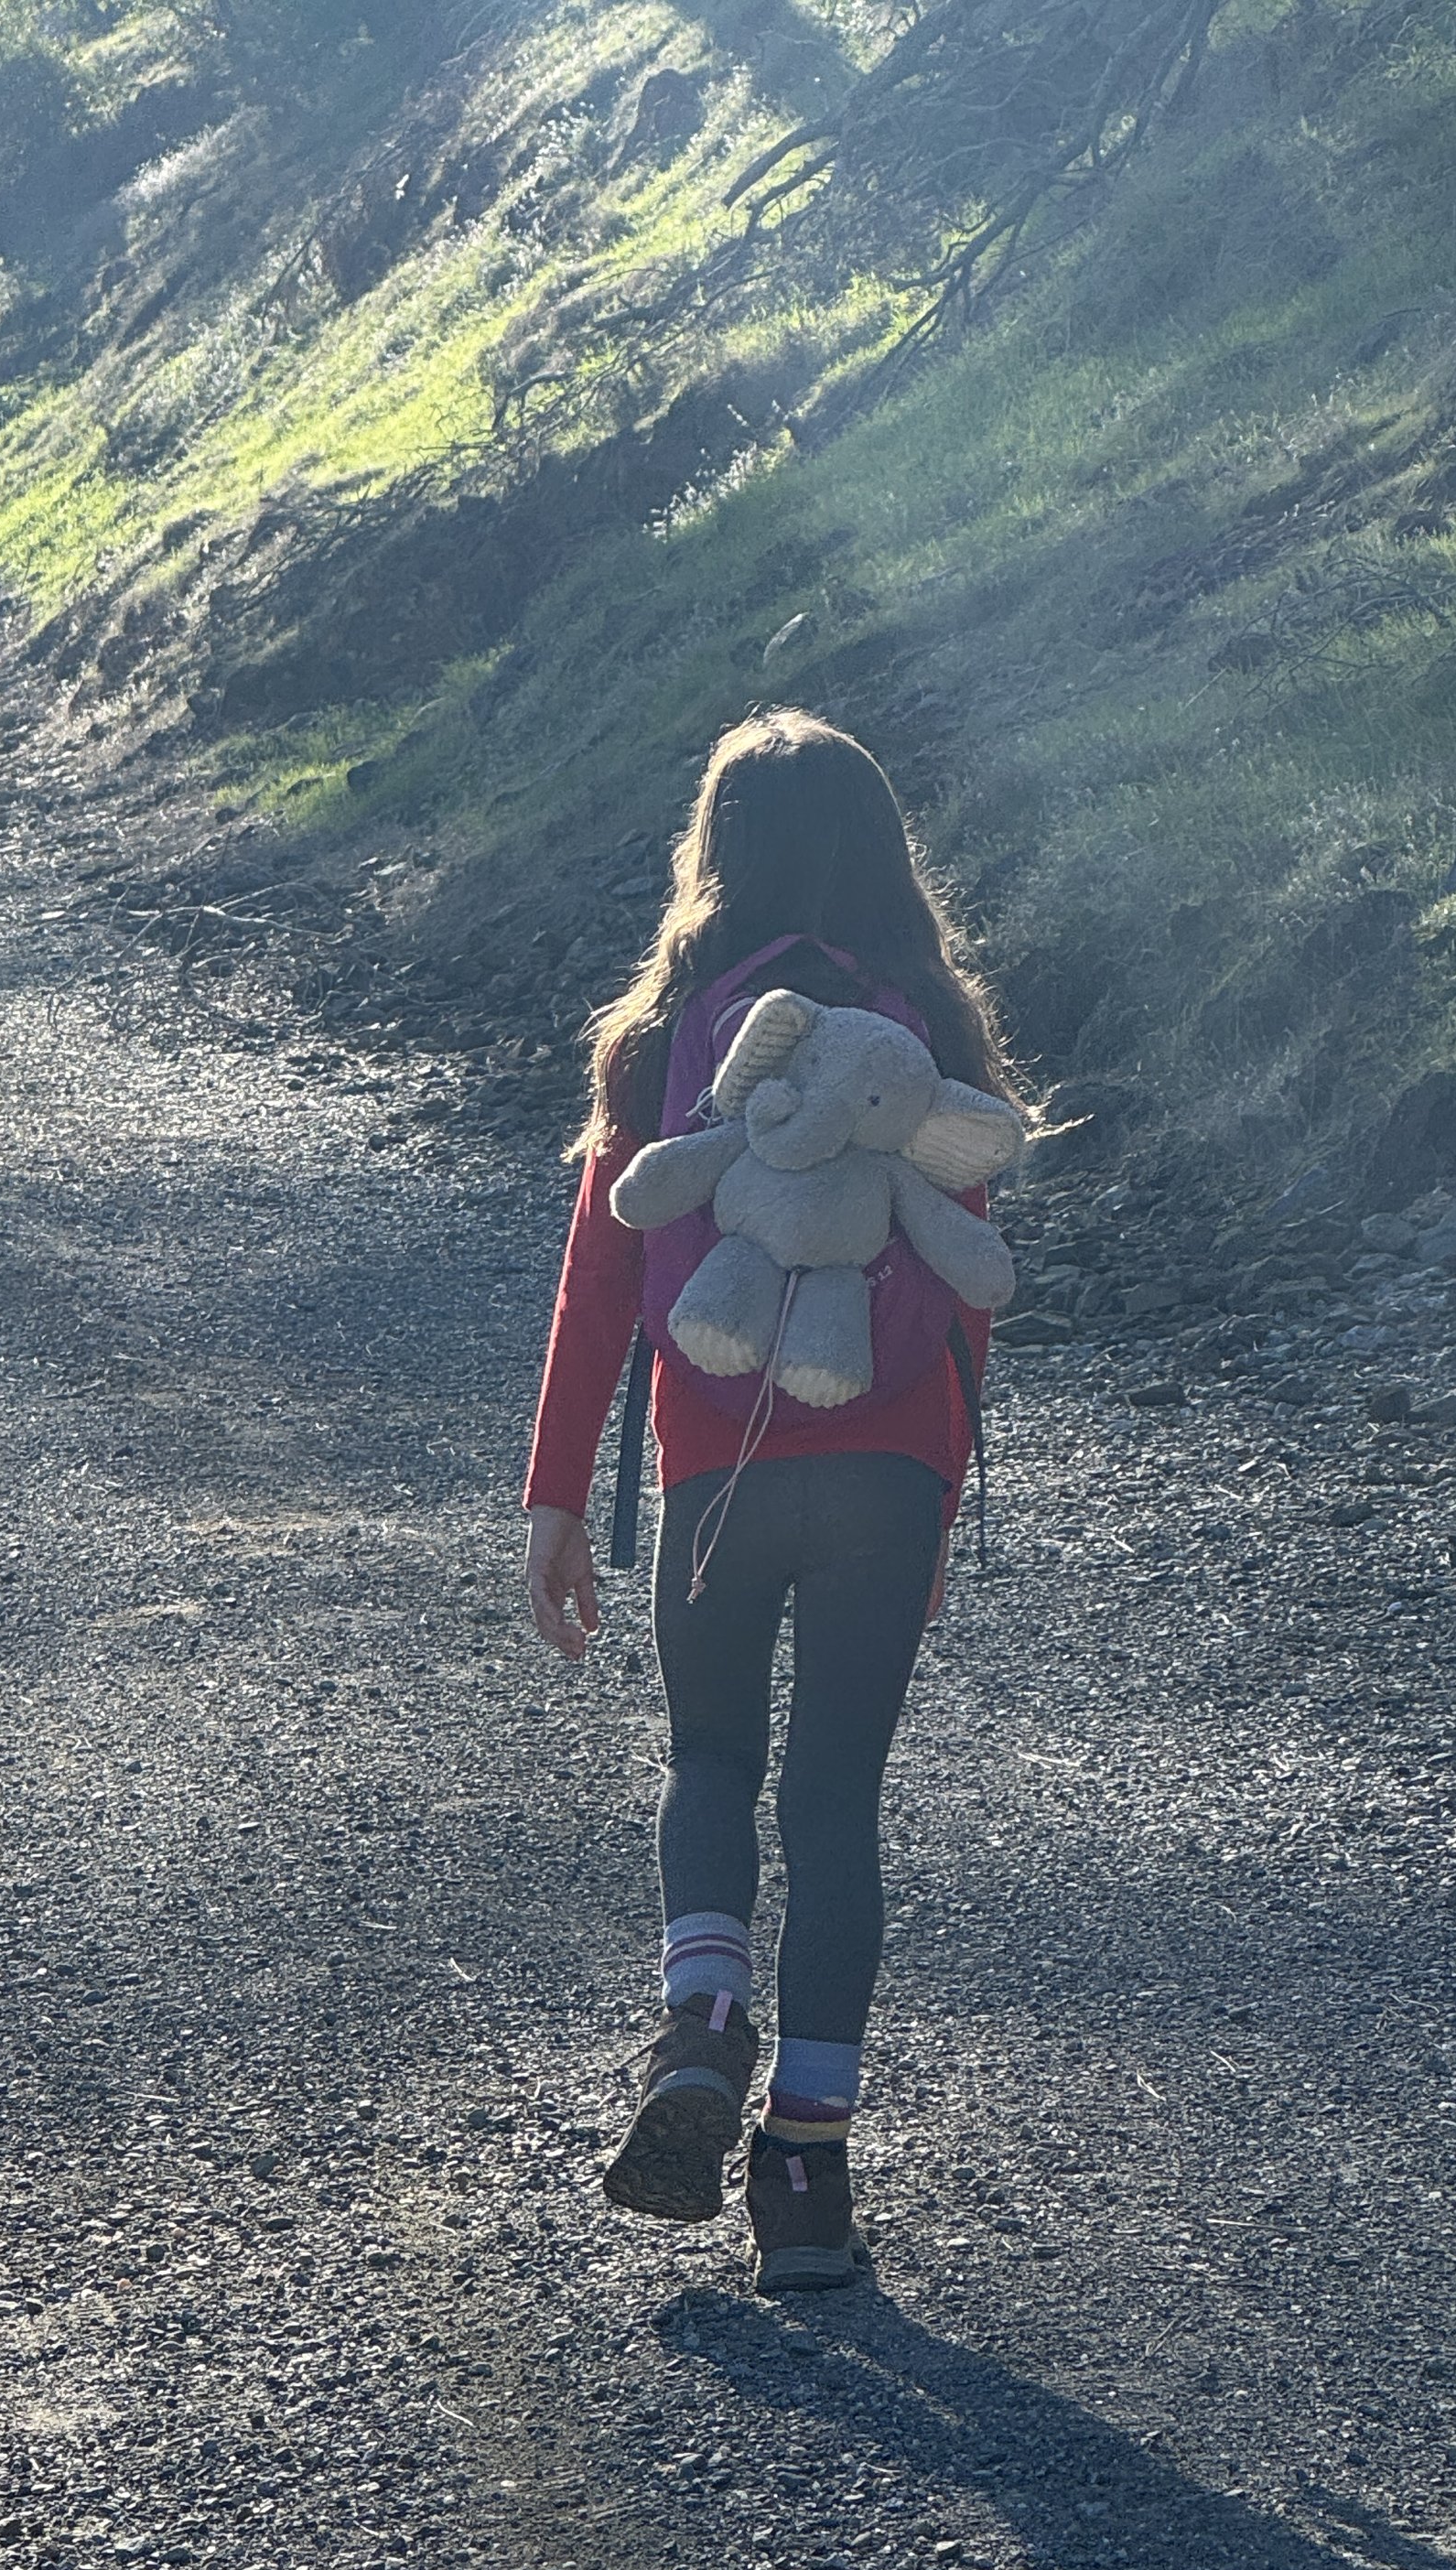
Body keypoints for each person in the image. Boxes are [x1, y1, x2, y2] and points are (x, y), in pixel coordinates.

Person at [521, 708, 1022, 2291]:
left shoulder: (669, 1029)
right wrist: (945, 1488)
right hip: (889, 1458)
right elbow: (968, 1285)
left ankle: (704, 2017)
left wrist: (553, 1496)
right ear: (886, 852)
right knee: (836, 1803)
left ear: (711, 852)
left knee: (714, 1757)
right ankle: (805, 2174)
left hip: (709, 1459)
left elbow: (605, 1265)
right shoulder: (927, 1024)